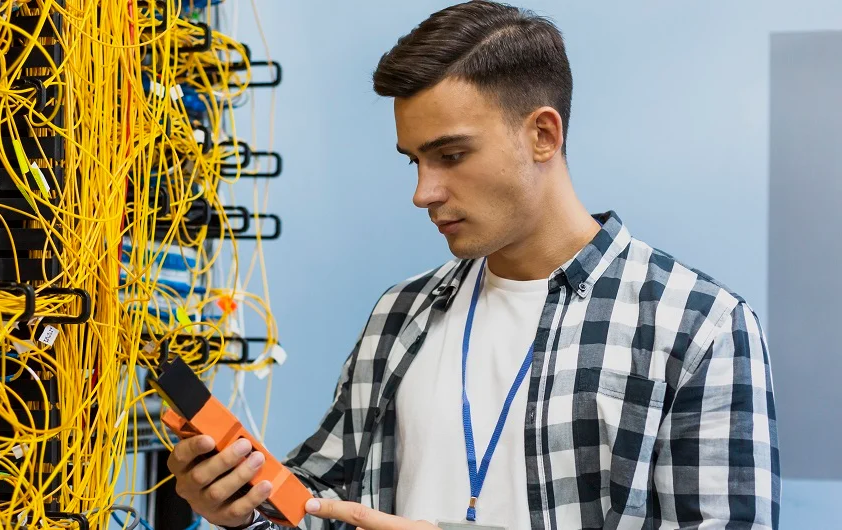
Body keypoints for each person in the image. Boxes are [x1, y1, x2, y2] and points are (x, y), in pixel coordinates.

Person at [166, 1, 780, 529]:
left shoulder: (698, 328)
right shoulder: (400, 314)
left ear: (543, 134)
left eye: (451, 155)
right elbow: (321, 505)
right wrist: (243, 505)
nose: (423, 192)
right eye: (414, 161)